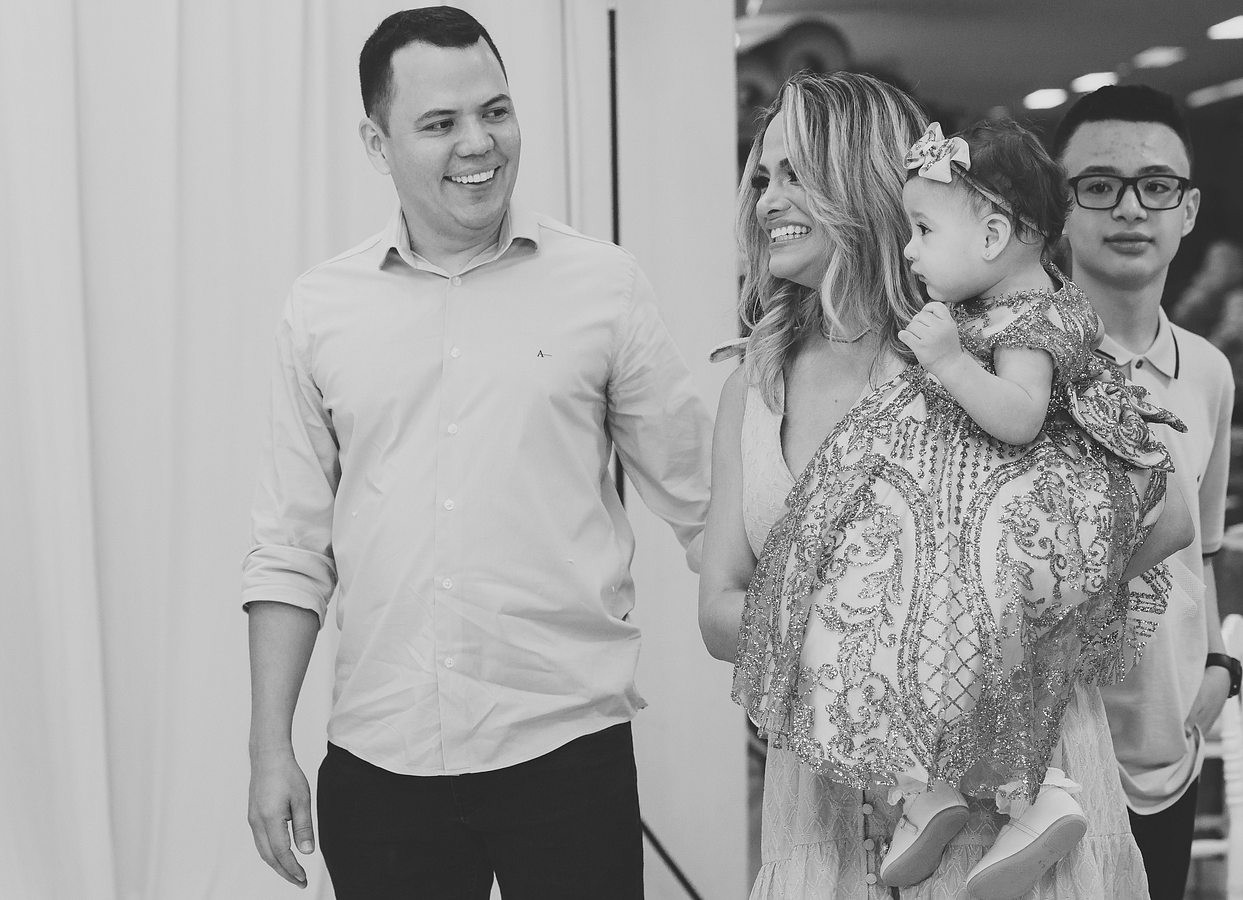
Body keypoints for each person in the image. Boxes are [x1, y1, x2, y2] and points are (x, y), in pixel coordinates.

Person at [241, 7, 712, 898]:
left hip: (565, 746)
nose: (478, 143)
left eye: (495, 111)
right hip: (381, 757)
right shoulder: (320, 310)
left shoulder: (603, 286)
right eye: (439, 123)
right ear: (376, 144)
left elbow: (702, 500)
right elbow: (290, 549)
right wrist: (271, 750)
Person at [700, 70, 1151, 900]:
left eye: (796, 173)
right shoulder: (752, 385)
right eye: (760, 178)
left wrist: (975, 605)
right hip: (828, 814)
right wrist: (870, 631)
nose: (768, 200)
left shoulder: (995, 342)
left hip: (1016, 815)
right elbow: (718, 611)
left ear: (866, 183)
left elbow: (1165, 515)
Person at [1054, 83, 1239, 900]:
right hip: (1045, 765)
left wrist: (1219, 667)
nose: (1129, 208)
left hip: (1168, 755)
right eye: (1099, 185)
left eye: (1155, 186)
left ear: (1187, 209)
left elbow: (1205, 547)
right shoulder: (1011, 366)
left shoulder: (1207, 370)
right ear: (1057, 206)